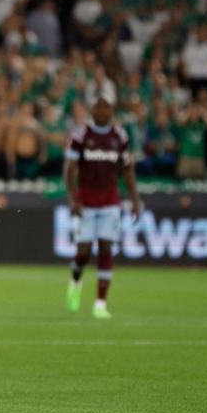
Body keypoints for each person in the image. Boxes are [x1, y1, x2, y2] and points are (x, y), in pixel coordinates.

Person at [63, 89, 142, 320]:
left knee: (106, 247)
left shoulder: (120, 137)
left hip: (110, 201)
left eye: (105, 106)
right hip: (86, 202)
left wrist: (135, 199)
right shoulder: (80, 136)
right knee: (84, 252)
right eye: (98, 106)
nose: (101, 110)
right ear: (92, 109)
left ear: (112, 110)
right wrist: (73, 198)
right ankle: (75, 282)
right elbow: (70, 171)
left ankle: (100, 303)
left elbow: (127, 170)